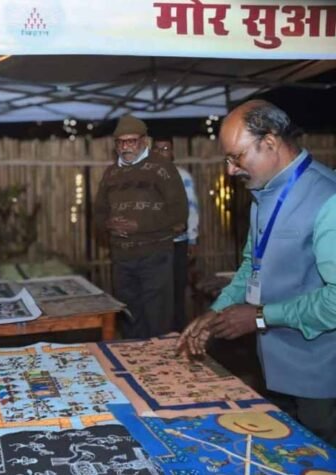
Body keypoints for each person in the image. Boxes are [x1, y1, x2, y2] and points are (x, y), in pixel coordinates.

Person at [177, 100, 336, 445]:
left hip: (320, 377)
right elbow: (253, 265)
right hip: (274, 366)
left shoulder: (329, 199)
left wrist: (261, 317)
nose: (230, 170)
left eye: (237, 157)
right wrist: (217, 311)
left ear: (270, 142)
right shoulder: (263, 193)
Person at [94, 115, 188, 339]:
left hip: (155, 256)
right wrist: (107, 224)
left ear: (145, 141)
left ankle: (161, 361)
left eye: (131, 141)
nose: (125, 147)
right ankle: (134, 359)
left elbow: (179, 213)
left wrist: (139, 225)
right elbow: (98, 212)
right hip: (121, 258)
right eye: (120, 142)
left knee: (158, 320)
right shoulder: (111, 174)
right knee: (129, 318)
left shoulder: (162, 168)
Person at [152, 136, 200, 331]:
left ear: (172, 153)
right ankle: (157, 336)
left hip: (178, 243)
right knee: (155, 293)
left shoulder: (182, 176)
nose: (161, 152)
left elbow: (192, 208)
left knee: (177, 291)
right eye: (157, 149)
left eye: (165, 149)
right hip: (153, 245)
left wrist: (193, 239)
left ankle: (178, 335)